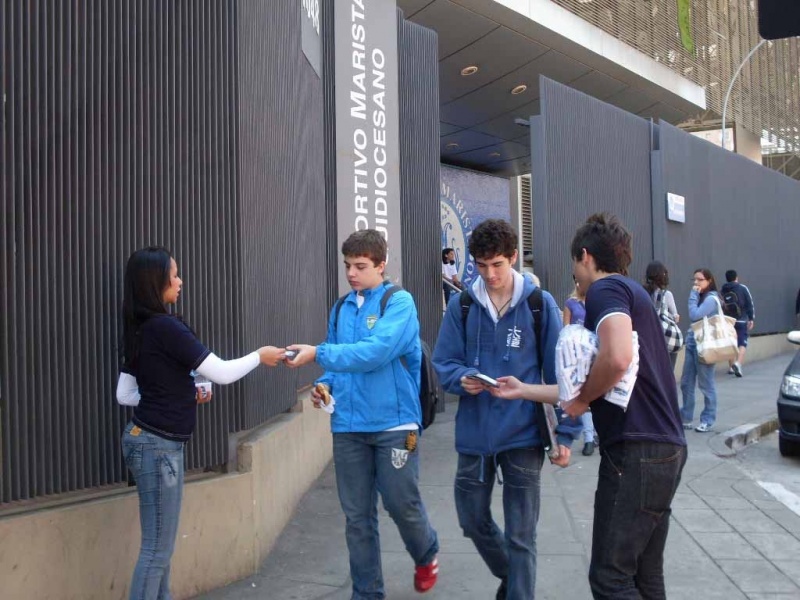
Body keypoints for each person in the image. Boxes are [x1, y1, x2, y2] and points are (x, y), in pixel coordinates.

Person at [117, 246, 286, 600]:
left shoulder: (140, 329)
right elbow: (222, 373)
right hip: (158, 447)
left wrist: (181, 393)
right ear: (155, 281)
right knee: (156, 552)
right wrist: (260, 355)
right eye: (174, 274)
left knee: (159, 550)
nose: (180, 281)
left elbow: (126, 393)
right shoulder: (166, 327)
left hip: (143, 439)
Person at [286, 229, 440, 599]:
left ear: (381, 265)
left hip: (395, 424)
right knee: (357, 519)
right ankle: (367, 593)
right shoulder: (341, 308)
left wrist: (318, 353)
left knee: (401, 505)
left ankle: (426, 551)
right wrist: (324, 387)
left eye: (360, 266)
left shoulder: (399, 303)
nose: (352, 274)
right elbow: (338, 368)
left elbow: (374, 353)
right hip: (349, 427)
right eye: (347, 266)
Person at [432, 218, 579, 600]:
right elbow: (444, 360)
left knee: (521, 535)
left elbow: (559, 373)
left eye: (497, 264)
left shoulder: (537, 303)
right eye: (481, 265)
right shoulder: (462, 304)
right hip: (475, 434)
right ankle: (514, 581)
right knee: (471, 519)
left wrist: (565, 432)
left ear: (513, 257)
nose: (490, 274)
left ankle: (518, 591)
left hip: (524, 435)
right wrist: (460, 378)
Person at [562, 214, 687, 600]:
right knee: (644, 577)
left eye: (576, 266)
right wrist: (520, 390)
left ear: (585, 255)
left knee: (611, 579)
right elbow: (598, 380)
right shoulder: (634, 293)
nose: (576, 278)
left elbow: (616, 359)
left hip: (636, 452)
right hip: (665, 450)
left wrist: (581, 399)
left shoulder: (605, 289)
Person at [679, 268, 723, 432]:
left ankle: (708, 419)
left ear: (709, 281)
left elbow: (694, 315)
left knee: (706, 383)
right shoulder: (702, 297)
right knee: (686, 382)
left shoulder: (711, 299)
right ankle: (686, 417)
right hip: (693, 341)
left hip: (705, 345)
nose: (696, 283)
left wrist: (692, 295)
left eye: (700, 280)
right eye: (694, 280)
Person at [563, 280, 596, 456]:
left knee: (596, 395)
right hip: (576, 355)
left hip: (594, 354)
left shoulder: (596, 302)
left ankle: (595, 434)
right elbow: (565, 330)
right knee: (583, 395)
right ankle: (589, 438)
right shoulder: (570, 303)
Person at [644, 261, 681, 370]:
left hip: (648, 339)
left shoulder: (642, 292)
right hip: (665, 338)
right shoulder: (666, 294)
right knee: (668, 371)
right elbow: (676, 317)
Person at [720, 270, 755, 377]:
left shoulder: (723, 290)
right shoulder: (742, 288)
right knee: (742, 343)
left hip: (727, 320)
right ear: (736, 277)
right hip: (741, 319)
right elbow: (749, 303)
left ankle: (731, 367)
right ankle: (738, 364)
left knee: (730, 342)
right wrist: (751, 318)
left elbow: (720, 304)